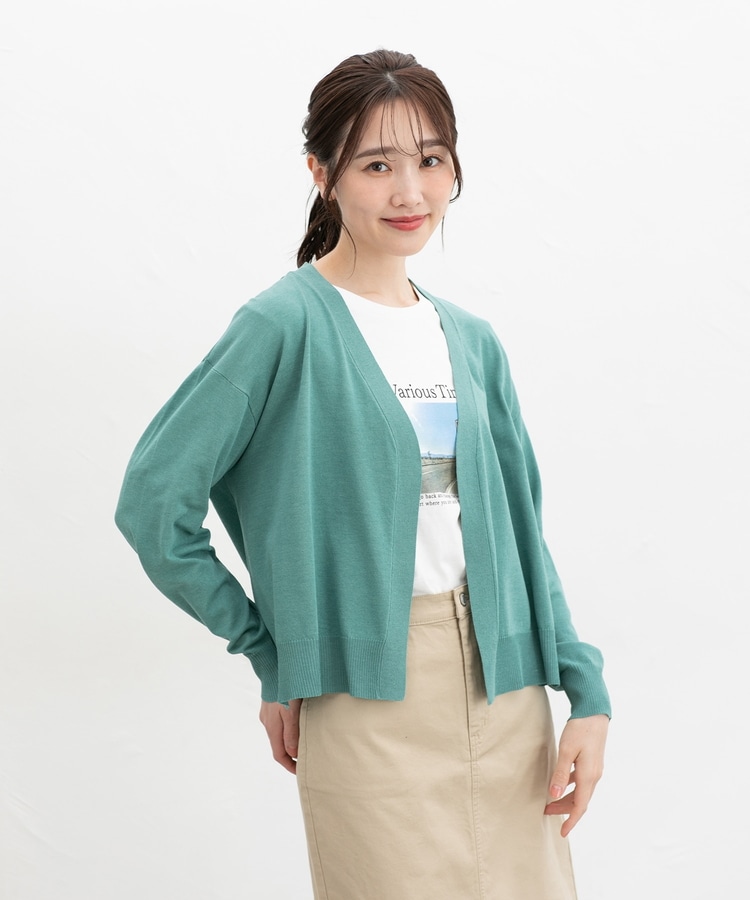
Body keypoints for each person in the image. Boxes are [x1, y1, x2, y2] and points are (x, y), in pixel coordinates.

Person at [115, 48, 610, 900]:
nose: (410, 191)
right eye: (377, 165)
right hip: (366, 710)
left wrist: (586, 690)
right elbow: (153, 505)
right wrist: (273, 653)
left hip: (509, 700)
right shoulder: (282, 326)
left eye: (431, 160)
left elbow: (523, 535)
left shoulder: (472, 341)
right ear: (322, 174)